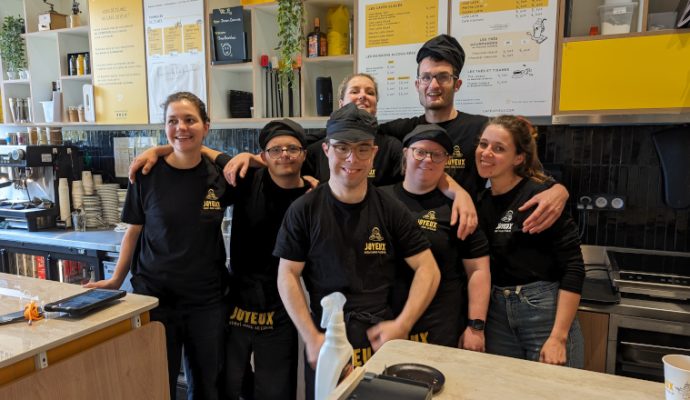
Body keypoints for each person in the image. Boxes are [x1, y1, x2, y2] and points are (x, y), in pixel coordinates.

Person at [274, 103, 440, 400]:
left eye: (363, 148)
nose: (353, 159)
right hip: (327, 337)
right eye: (342, 148)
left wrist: (402, 325)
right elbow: (287, 273)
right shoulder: (304, 209)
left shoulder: (390, 209)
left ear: (374, 153)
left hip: (379, 337)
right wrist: (311, 338)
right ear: (326, 150)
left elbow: (428, 269)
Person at [86, 92, 229, 399]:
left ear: (206, 126)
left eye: (190, 120)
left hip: (207, 300)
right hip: (154, 297)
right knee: (158, 384)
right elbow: (133, 233)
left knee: (207, 388)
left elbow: (259, 171)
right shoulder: (146, 174)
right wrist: (114, 280)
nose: (181, 128)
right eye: (172, 121)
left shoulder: (219, 177)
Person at [378, 34, 569, 234]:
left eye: (443, 77)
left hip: (468, 235)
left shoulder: (481, 127)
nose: (433, 85)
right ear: (417, 84)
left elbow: (529, 169)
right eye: (426, 77)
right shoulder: (404, 130)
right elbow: (360, 134)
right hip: (414, 233)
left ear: (457, 84)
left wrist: (559, 190)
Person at [474, 115, 584, 367]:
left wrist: (558, 337)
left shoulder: (540, 197)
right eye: (483, 144)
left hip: (543, 312)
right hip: (497, 314)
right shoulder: (481, 201)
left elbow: (574, 267)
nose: (486, 153)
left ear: (519, 158)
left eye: (499, 148)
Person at [221, 119, 310, 400]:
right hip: (237, 299)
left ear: (304, 154)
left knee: (276, 388)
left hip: (281, 304)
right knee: (228, 384)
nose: (284, 154)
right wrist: (160, 150)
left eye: (292, 148)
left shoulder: (311, 197)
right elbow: (199, 154)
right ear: (264, 157)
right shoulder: (246, 181)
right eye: (275, 149)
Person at [381, 124, 491, 350]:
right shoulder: (379, 199)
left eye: (437, 154)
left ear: (446, 161)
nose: (428, 159)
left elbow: (478, 270)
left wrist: (475, 327)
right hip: (385, 320)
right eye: (420, 152)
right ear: (405, 153)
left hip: (440, 324)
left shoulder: (459, 210)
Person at [302, 73, 403, 187]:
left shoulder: (392, 148)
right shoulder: (315, 151)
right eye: (354, 91)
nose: (363, 96)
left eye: (370, 93)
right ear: (341, 104)